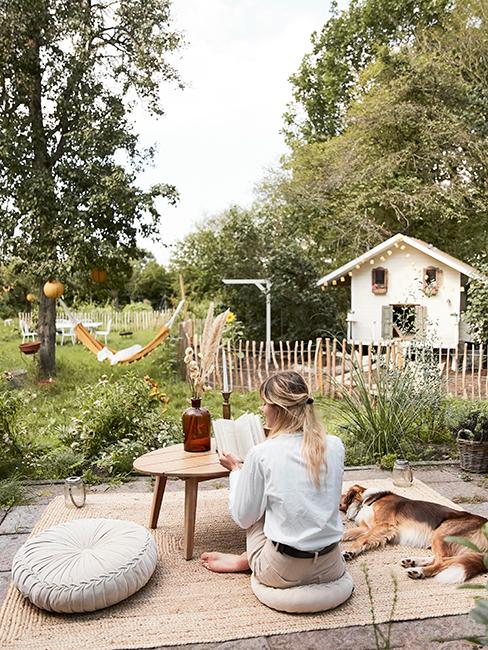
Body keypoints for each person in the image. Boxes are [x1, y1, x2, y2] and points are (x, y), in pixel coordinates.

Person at [201, 370, 346, 589]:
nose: (262, 409)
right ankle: (255, 556)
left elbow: (243, 518)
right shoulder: (335, 445)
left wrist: (236, 470)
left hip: (282, 572)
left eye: (265, 404)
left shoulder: (262, 453)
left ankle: (248, 559)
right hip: (332, 565)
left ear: (278, 410)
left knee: (257, 508)